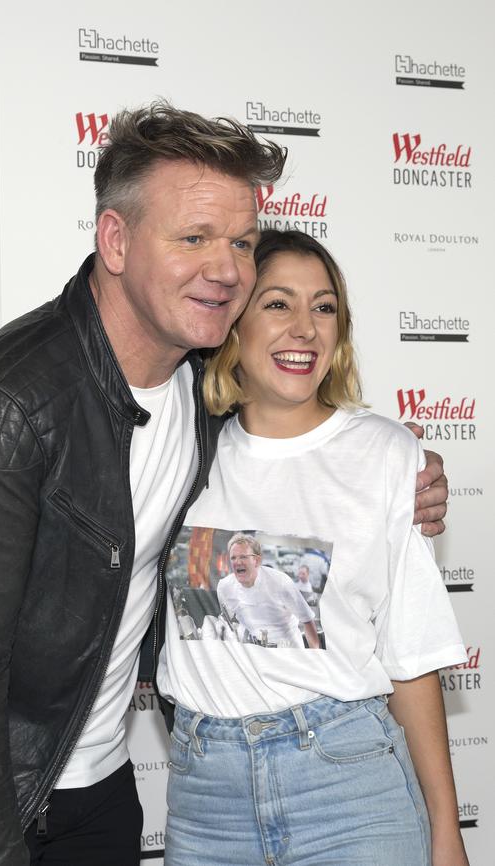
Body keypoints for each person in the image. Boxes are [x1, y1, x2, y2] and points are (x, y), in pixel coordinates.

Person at [0, 104, 447, 866]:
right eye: (193, 238)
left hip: (96, 767)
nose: (226, 269)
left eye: (240, 242)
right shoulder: (14, 399)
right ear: (116, 241)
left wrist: (409, 473)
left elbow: (300, 456)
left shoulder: (203, 385)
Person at [156, 230, 468, 866]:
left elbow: (410, 658)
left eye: (323, 308)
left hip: (348, 786)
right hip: (205, 800)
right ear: (232, 322)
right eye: (277, 304)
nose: (304, 328)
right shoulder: (177, 446)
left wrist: (446, 831)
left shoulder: (388, 454)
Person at [217, 533, 319, 648]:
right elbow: (230, 622)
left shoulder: (280, 582)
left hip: (289, 648)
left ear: (257, 560)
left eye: (243, 557)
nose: (237, 562)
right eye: (233, 558)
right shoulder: (224, 587)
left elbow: (307, 620)